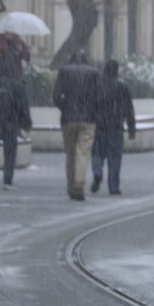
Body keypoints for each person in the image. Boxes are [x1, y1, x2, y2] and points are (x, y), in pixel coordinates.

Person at [53, 51, 99, 201]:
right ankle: (79, 184)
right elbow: (99, 96)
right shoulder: (94, 73)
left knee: (70, 153)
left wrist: (64, 108)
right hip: (88, 119)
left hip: (68, 119)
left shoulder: (64, 71)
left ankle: (71, 185)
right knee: (82, 152)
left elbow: (56, 96)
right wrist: (93, 111)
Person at [92, 60, 137, 196]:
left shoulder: (97, 86)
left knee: (97, 153)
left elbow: (90, 105)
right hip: (116, 127)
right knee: (115, 158)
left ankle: (97, 171)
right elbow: (129, 109)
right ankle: (114, 187)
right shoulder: (122, 87)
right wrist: (131, 128)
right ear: (117, 71)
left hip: (99, 126)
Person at [0, 52, 32, 190]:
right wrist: (26, 123)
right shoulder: (17, 84)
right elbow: (23, 105)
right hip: (11, 122)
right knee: (10, 152)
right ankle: (7, 179)